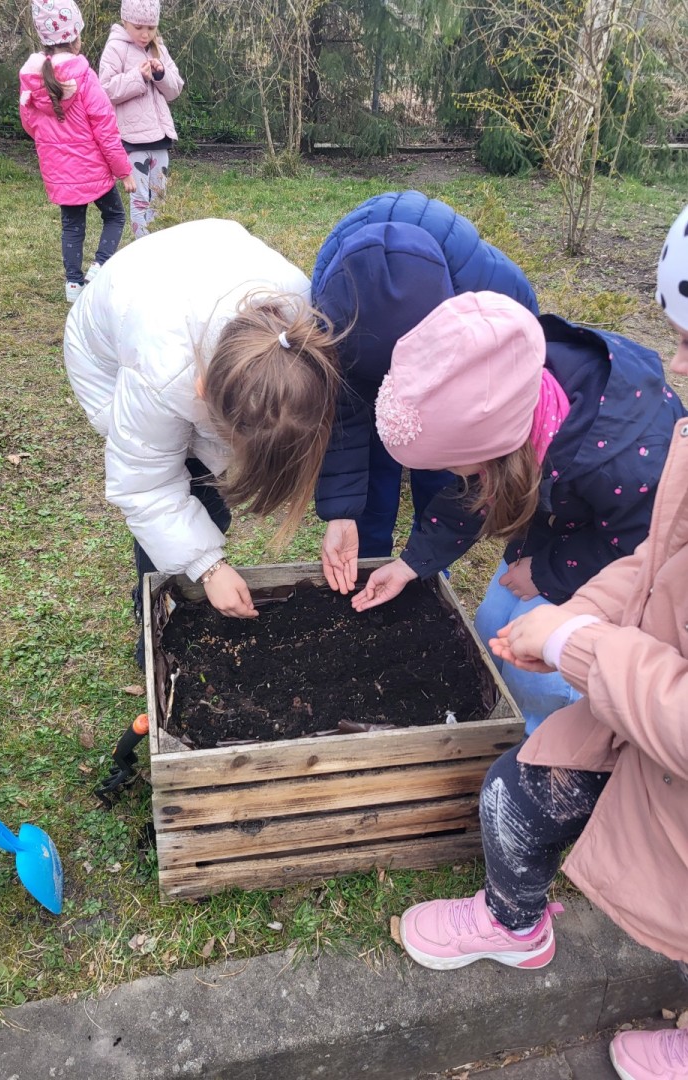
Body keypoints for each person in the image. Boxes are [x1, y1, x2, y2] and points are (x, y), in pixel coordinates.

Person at [396, 204, 688, 1080]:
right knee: (514, 792)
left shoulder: (630, 452)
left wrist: (576, 641)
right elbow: (653, 559)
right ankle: (513, 923)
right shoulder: (574, 408)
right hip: (636, 677)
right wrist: (575, 611)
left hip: (661, 722)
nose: (676, 364)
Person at [358, 290, 684, 732]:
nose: (454, 475)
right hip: (559, 515)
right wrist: (410, 564)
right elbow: (472, 495)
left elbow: (637, 549)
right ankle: (500, 711)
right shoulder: (502, 405)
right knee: (493, 624)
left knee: (540, 671)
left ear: (493, 446)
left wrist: (547, 573)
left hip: (617, 552)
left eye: (451, 466)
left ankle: (544, 732)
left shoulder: (625, 464)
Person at [63, 218, 341, 666]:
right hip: (108, 346)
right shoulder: (159, 372)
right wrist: (209, 567)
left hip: (201, 272)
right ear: (202, 393)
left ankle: (193, 563)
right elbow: (146, 486)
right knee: (187, 483)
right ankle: (159, 611)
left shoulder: (301, 340)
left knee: (209, 494)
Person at [312, 191, 540, 589]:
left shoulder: (500, 300)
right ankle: (368, 557)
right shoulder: (332, 308)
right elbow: (344, 410)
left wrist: (426, 554)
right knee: (378, 469)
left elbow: (491, 431)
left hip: (455, 388)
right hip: (366, 360)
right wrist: (343, 512)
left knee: (445, 471)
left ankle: (428, 568)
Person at [19, 0, 135, 304]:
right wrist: (123, 171)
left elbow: (31, 125)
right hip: (93, 170)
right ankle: (99, 266)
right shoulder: (85, 77)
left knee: (72, 226)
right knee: (115, 216)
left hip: (59, 173)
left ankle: (73, 284)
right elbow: (105, 129)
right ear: (75, 38)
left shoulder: (32, 80)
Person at [99, 0, 183, 240]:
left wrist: (160, 74)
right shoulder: (115, 48)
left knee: (159, 198)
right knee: (139, 200)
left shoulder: (159, 49)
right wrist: (138, 76)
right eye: (138, 27)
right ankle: (142, 246)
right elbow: (105, 90)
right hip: (133, 141)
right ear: (125, 22)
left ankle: (157, 243)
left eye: (151, 28)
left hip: (160, 138)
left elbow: (175, 89)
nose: (145, 34)